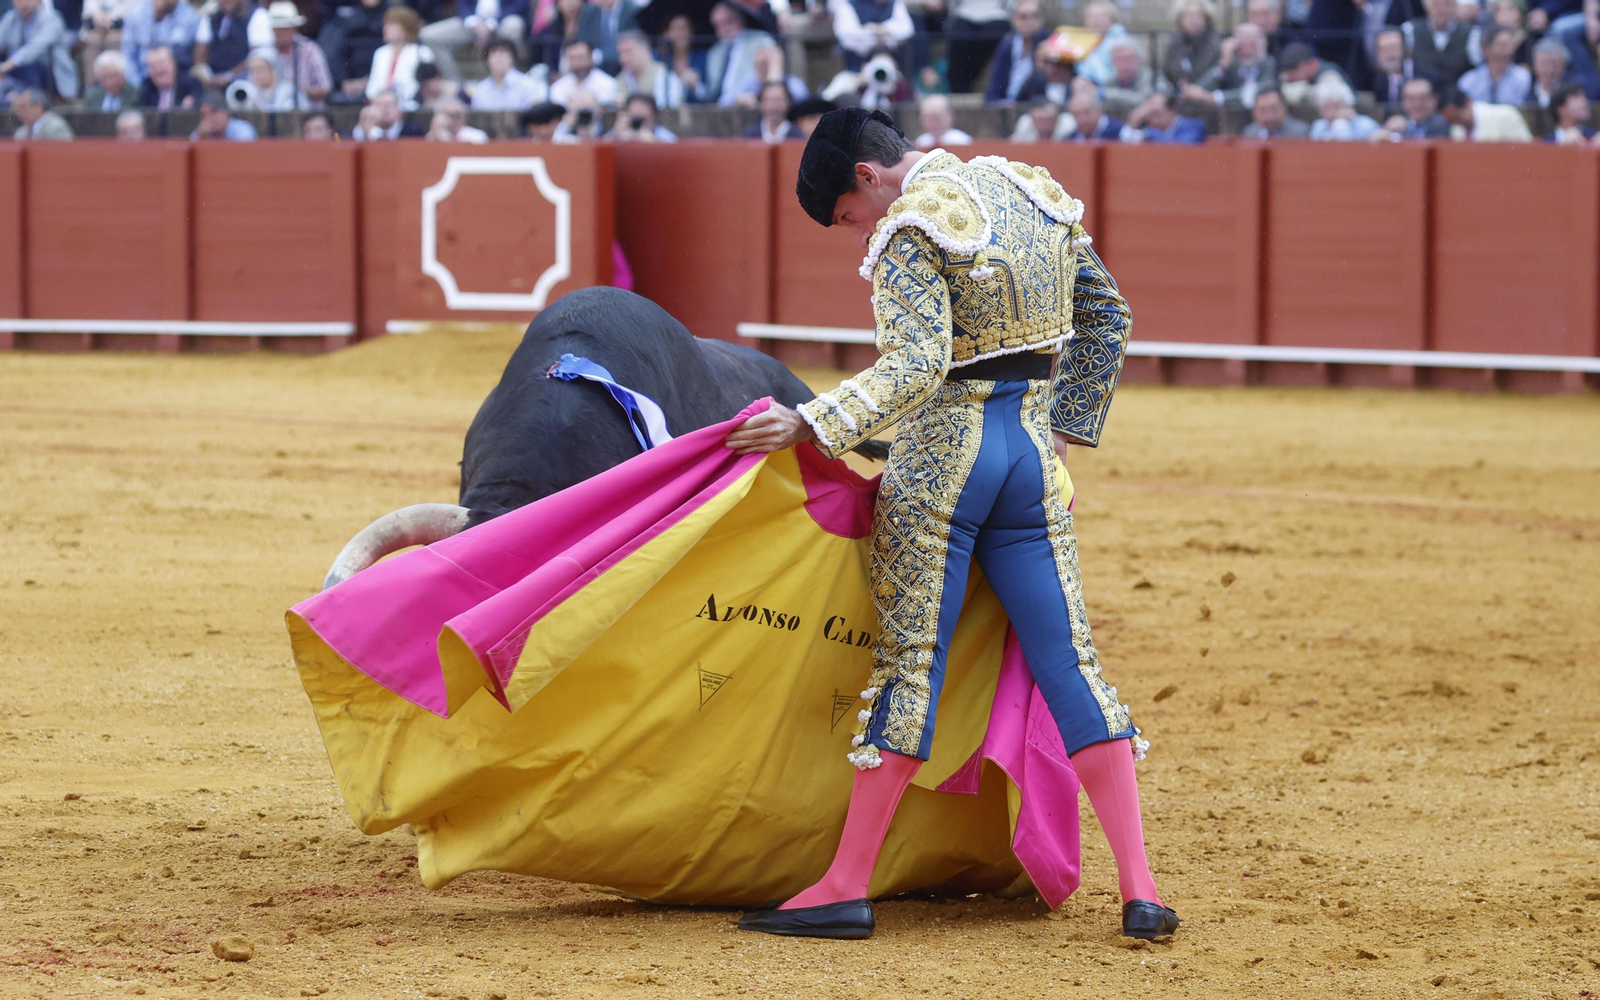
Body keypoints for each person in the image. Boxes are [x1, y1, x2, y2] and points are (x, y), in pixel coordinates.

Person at [729, 108, 1173, 944]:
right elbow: (1108, 313)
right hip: (1034, 464)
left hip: (943, 466)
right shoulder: (1031, 190)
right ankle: (1141, 890)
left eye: (848, 219)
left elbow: (917, 363)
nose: (857, 233)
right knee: (1072, 663)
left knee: (908, 665)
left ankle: (845, 884)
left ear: (866, 176)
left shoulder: (909, 226)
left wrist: (813, 421)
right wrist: (1065, 428)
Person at [418, 0, 529, 82]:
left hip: (502, 21)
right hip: (473, 24)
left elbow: (519, 5)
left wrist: (491, 24)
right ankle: (455, 83)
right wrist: (474, 23)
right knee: (428, 35)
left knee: (514, 25)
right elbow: (462, 4)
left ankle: (511, 80)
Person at [1186, 21, 1278, 108]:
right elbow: (1198, 90)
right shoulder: (1231, 64)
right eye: (1244, 44)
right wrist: (1223, 64)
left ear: (1262, 44)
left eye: (1252, 44)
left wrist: (1215, 97)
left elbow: (1253, 93)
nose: (1248, 50)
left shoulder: (1269, 64)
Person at [704, 1, 775, 106]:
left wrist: (757, 96)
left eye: (727, 22)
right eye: (717, 25)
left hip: (750, 104)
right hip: (719, 109)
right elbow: (710, 92)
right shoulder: (714, 53)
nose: (722, 29)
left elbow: (772, 78)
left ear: (739, 19)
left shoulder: (761, 41)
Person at [366, 5, 435, 109]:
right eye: (385, 24)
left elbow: (427, 88)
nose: (385, 28)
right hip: (379, 105)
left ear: (405, 28)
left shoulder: (422, 52)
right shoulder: (380, 53)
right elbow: (372, 87)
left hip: (410, 106)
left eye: (391, 24)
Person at [121, 0, 202, 87]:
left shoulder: (189, 15)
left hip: (175, 81)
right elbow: (128, 54)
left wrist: (160, 16)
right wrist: (137, 85)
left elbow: (172, 51)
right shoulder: (136, 13)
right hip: (141, 78)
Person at [321, 0, 389, 103]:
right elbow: (332, 54)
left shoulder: (391, 15)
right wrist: (343, 81)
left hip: (381, 86)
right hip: (349, 83)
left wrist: (368, 81)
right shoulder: (346, 18)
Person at [268, 1, 332, 108]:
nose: (280, 33)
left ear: (294, 28)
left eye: (285, 28)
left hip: (309, 114)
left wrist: (297, 90)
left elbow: (326, 89)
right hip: (275, 114)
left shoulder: (310, 50)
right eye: (277, 29)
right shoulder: (267, 52)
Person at [193, 0, 272, 87]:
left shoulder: (258, 15)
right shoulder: (211, 16)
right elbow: (200, 51)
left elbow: (258, 56)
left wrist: (229, 76)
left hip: (246, 80)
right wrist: (206, 75)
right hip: (213, 81)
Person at [983, 0, 1049, 102]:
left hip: (1040, 105)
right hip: (1011, 105)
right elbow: (994, 90)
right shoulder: (1007, 45)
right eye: (1023, 17)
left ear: (1042, 19)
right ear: (1014, 20)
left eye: (1035, 16)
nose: (1030, 22)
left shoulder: (1050, 43)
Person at [0, 0, 66, 98]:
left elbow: (35, 49)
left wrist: (7, 65)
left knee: (31, 66)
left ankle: (28, 101)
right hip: (14, 69)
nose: (23, 4)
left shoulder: (52, 18)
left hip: (46, 72)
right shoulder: (10, 18)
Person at [1404, 0, 1478, 86]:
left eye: (1448, 5)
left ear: (1456, 8)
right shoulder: (1410, 30)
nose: (1442, 10)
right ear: (1427, 7)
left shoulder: (1472, 33)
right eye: (1436, 5)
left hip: (1456, 92)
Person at [831, 0, 914, 72]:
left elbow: (907, 30)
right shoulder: (848, 5)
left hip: (894, 67)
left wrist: (885, 29)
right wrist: (874, 30)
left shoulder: (894, 3)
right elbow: (847, 36)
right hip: (857, 71)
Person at [1458, 23, 1533, 102]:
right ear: (1485, 50)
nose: (1508, 51)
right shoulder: (1469, 81)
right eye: (1502, 46)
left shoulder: (1523, 78)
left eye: (1511, 46)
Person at [615, 29, 684, 109]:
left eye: (628, 51)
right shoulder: (621, 78)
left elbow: (664, 113)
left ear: (646, 50)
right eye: (620, 52)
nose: (622, 58)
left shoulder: (665, 76)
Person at [471, 37, 545, 109]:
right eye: (494, 53)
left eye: (503, 52)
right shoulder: (480, 89)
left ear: (512, 58)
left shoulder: (528, 85)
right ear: (487, 60)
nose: (498, 57)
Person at [1440, 82, 1535, 137]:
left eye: (1457, 117)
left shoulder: (1506, 116)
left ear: (1468, 102)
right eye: (1452, 121)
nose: (1457, 123)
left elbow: (1526, 152)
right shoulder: (1456, 129)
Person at [1163, 0, 1223, 87]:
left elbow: (1215, 73)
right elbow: (1167, 73)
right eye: (1188, 16)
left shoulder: (1214, 43)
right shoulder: (1175, 42)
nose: (1193, 20)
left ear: (1206, 19)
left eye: (1198, 16)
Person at [1074, 1, 1133, 85]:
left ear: (1112, 19)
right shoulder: (1079, 42)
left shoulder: (1122, 42)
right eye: (1091, 16)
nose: (1096, 20)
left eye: (1102, 15)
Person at [549, 37, 617, 107]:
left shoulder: (608, 84)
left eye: (581, 57)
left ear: (591, 58)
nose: (577, 63)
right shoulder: (558, 87)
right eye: (572, 58)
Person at [1276, 40, 1349, 104]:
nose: (1291, 74)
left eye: (1295, 68)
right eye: (1287, 70)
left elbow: (1334, 96)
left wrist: (1304, 92)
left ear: (1313, 64)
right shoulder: (1286, 77)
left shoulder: (1329, 74)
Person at [1377, 75, 1453, 136]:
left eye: (1423, 98)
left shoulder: (1443, 126)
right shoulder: (1399, 126)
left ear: (1434, 100)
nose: (1417, 104)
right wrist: (1387, 131)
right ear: (1403, 102)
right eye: (1411, 99)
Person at [1308, 75, 1381, 137]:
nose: (1332, 111)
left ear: (1346, 106)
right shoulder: (1319, 126)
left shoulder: (1364, 124)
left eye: (1336, 107)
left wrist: (1341, 124)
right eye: (1326, 108)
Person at [657, 13, 705, 101]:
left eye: (685, 28)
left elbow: (710, 95)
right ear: (667, 33)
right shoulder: (660, 59)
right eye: (676, 29)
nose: (681, 33)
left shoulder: (702, 59)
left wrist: (696, 86)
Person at [1127, 89, 1207, 141]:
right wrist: (1132, 124)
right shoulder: (1147, 132)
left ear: (1172, 110)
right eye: (1148, 115)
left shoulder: (1194, 126)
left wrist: (1149, 133)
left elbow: (1180, 148)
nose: (1151, 119)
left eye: (1156, 113)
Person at [138, 44, 202, 107]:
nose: (158, 69)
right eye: (153, 66)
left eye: (161, 63)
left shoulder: (190, 84)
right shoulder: (147, 88)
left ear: (173, 63)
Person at [1101, 38, 1155, 107]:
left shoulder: (1151, 77)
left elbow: (1143, 100)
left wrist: (1106, 94)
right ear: (1113, 62)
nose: (1124, 65)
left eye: (1128, 59)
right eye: (1119, 60)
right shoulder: (1110, 80)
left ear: (1139, 60)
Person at [1240, 83, 1310, 135]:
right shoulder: (1249, 133)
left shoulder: (1300, 133)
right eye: (1263, 111)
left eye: (1274, 109)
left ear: (1284, 107)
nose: (1269, 116)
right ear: (1254, 112)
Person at [354, 88, 427, 136]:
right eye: (379, 105)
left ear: (399, 109)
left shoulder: (412, 132)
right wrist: (366, 129)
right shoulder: (364, 132)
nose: (384, 109)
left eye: (389, 105)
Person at [1369, 28, 1411, 109]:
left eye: (1394, 47)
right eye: (1383, 49)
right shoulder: (1378, 82)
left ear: (1406, 49)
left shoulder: (1427, 78)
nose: (1389, 54)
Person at [608, 91, 676, 141]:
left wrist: (652, 142)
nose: (640, 124)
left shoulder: (666, 137)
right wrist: (615, 136)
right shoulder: (617, 132)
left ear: (654, 117)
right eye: (636, 118)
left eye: (643, 120)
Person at [193, 89, 258, 138]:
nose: (208, 118)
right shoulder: (200, 133)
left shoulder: (242, 130)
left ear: (225, 112)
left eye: (213, 112)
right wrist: (201, 137)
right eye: (203, 114)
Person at [1530, 38, 1574, 106]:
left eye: (1555, 63)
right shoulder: (1526, 87)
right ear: (1535, 64)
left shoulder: (1573, 90)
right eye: (1544, 63)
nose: (1549, 69)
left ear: (1564, 65)